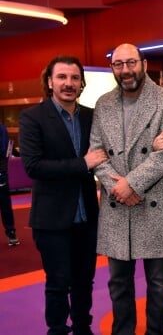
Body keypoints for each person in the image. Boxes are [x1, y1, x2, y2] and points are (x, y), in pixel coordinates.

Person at [90, 44, 163, 335]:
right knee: (118, 283)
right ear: (113, 68)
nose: (125, 70)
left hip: (154, 201)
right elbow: (96, 152)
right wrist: (119, 187)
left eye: (131, 63)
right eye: (118, 64)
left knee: (158, 284)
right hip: (117, 204)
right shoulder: (103, 104)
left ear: (143, 63)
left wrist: (131, 183)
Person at [19, 55, 108, 335]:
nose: (68, 83)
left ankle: (83, 328)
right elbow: (34, 166)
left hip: (87, 219)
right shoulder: (32, 117)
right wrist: (83, 163)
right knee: (57, 283)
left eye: (74, 78)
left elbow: (107, 154)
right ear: (50, 81)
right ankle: (57, 329)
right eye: (62, 77)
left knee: (84, 282)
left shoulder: (92, 116)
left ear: (81, 82)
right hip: (51, 220)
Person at [0, 123, 19, 246]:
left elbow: (6, 148)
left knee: (4, 203)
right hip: (2, 171)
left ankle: (11, 232)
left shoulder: (1, 128)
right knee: (5, 203)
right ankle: (11, 231)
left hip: (0, 171)